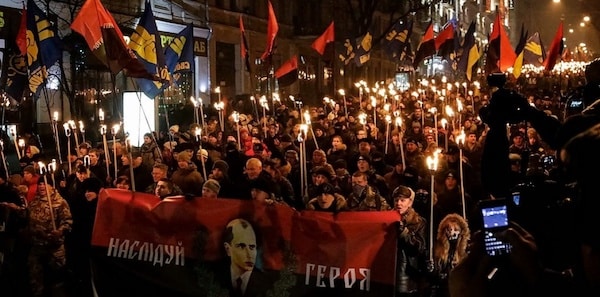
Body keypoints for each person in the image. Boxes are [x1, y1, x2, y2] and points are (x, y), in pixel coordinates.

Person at [27, 176, 72, 297]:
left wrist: (60, 231)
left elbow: (67, 221)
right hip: (37, 246)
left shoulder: (59, 202)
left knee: (57, 279)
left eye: (44, 184)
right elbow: (28, 216)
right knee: (36, 278)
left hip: (54, 247)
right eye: (40, 184)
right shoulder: (34, 201)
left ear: (51, 186)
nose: (41, 186)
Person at [393, 185, 428, 297]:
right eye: (396, 200)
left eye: (402, 200)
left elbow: (419, 248)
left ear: (410, 202)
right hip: (388, 274)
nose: (399, 203)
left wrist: (404, 233)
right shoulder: (386, 219)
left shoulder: (418, 222)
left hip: (407, 277)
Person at [221, 218, 271, 297]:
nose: (249, 254)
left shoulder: (268, 285)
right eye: (241, 246)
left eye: (252, 247)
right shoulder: (215, 277)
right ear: (228, 249)